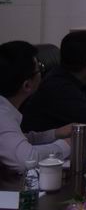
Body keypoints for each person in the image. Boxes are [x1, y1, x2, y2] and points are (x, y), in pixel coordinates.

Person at [0, 41, 72, 171]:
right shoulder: (2, 115)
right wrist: (67, 145)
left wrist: (55, 134)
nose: (43, 73)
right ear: (27, 85)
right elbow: (27, 159)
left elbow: (15, 141)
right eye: (40, 68)